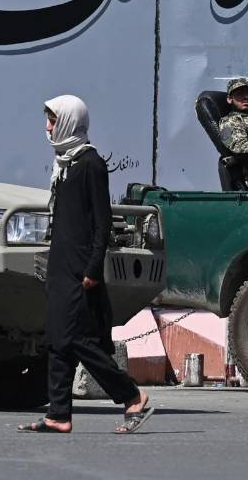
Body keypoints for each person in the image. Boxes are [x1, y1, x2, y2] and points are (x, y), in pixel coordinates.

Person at [18, 95, 153, 435]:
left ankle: (132, 395)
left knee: (76, 340)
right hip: (61, 264)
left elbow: (101, 220)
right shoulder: (64, 164)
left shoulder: (90, 163)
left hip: (80, 267)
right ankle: (59, 414)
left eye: (53, 120)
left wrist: (94, 268)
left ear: (68, 122)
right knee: (58, 340)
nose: (48, 127)